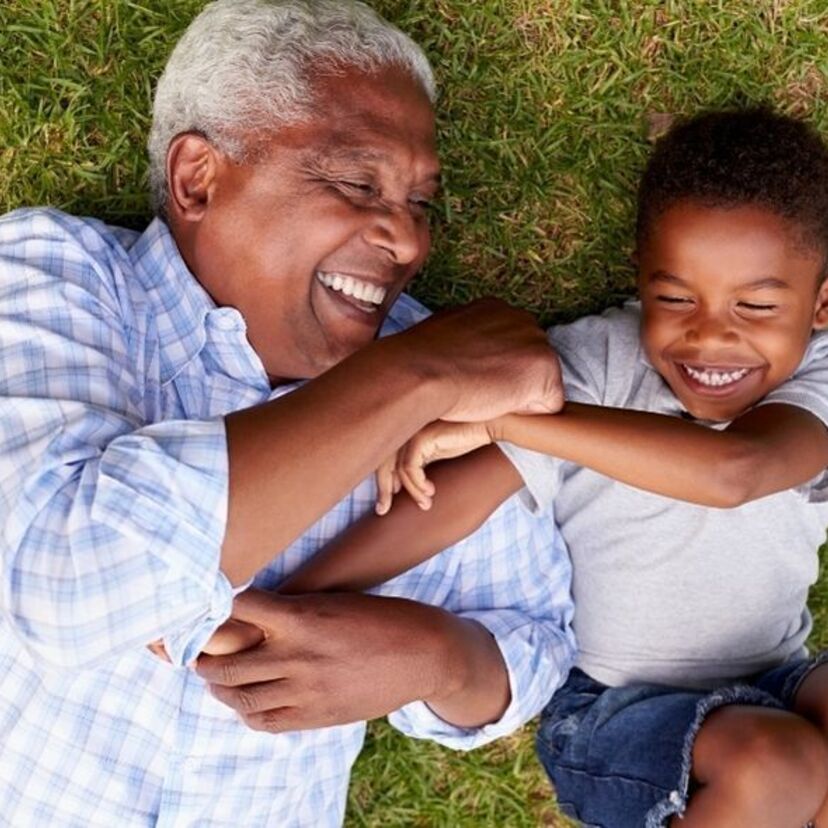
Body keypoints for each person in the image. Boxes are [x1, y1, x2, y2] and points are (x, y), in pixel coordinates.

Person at [0, 1, 576, 824]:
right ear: (199, 178)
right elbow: (65, 585)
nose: (410, 243)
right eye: (356, 183)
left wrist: (434, 658)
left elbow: (535, 639)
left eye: (420, 202)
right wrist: (414, 376)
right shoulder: (54, 276)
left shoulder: (442, 387)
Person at [227, 108, 828, 827]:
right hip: (616, 711)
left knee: (800, 768)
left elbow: (740, 470)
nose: (710, 336)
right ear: (641, 281)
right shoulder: (599, 361)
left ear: (821, 305)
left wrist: (507, 418)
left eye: (757, 305)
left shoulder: (815, 384)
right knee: (779, 768)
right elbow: (454, 499)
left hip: (781, 673)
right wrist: (291, 601)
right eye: (674, 298)